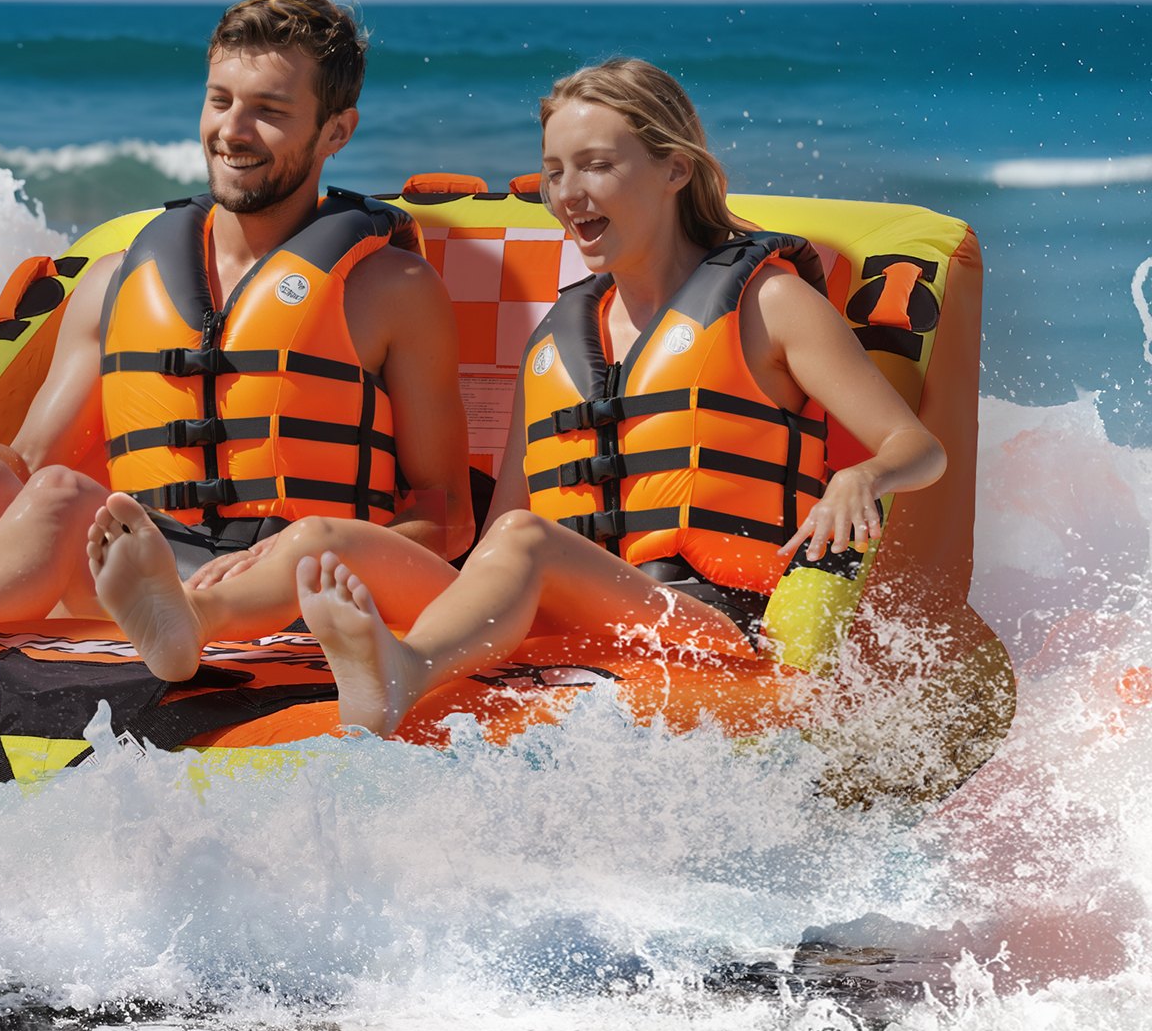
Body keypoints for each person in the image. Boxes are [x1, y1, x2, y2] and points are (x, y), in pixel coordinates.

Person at [83, 56, 947, 736]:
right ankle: (187, 621)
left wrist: (861, 477)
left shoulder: (769, 304)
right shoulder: (556, 342)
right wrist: (405, 576)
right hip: (561, 616)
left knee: (526, 543)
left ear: (675, 170)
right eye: (554, 171)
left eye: (597, 166)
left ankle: (406, 672)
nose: (569, 194)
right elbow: (500, 525)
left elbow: (918, 449)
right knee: (321, 537)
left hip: (702, 617)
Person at [0, 0, 474, 687]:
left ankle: (197, 614)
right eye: (220, 101)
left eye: (269, 111)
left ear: (337, 131)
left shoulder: (392, 289)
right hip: (143, 583)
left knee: (304, 545)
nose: (233, 130)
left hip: (306, 585)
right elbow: (28, 466)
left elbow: (447, 517)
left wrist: (304, 558)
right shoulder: (113, 284)